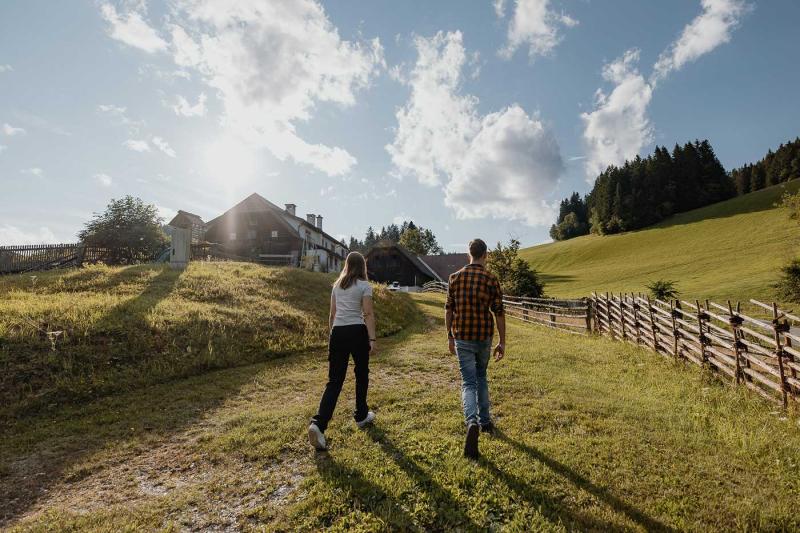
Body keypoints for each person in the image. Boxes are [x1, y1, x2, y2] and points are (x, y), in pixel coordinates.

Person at [308, 251, 377, 450]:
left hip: (337, 332)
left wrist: (333, 336)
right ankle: (361, 415)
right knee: (361, 374)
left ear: (347, 265)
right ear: (362, 266)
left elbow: (332, 315)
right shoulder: (364, 286)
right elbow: (368, 313)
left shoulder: (337, 286)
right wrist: (372, 339)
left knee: (335, 381)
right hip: (357, 331)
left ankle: (318, 424)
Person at [445, 238, 506, 459]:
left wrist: (449, 336)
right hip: (483, 337)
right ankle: (485, 421)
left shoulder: (455, 278)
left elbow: (449, 309)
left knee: (468, 381)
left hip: (462, 336)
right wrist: (502, 341)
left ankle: (472, 422)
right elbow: (499, 312)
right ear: (485, 255)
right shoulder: (491, 278)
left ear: (468, 253)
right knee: (481, 376)